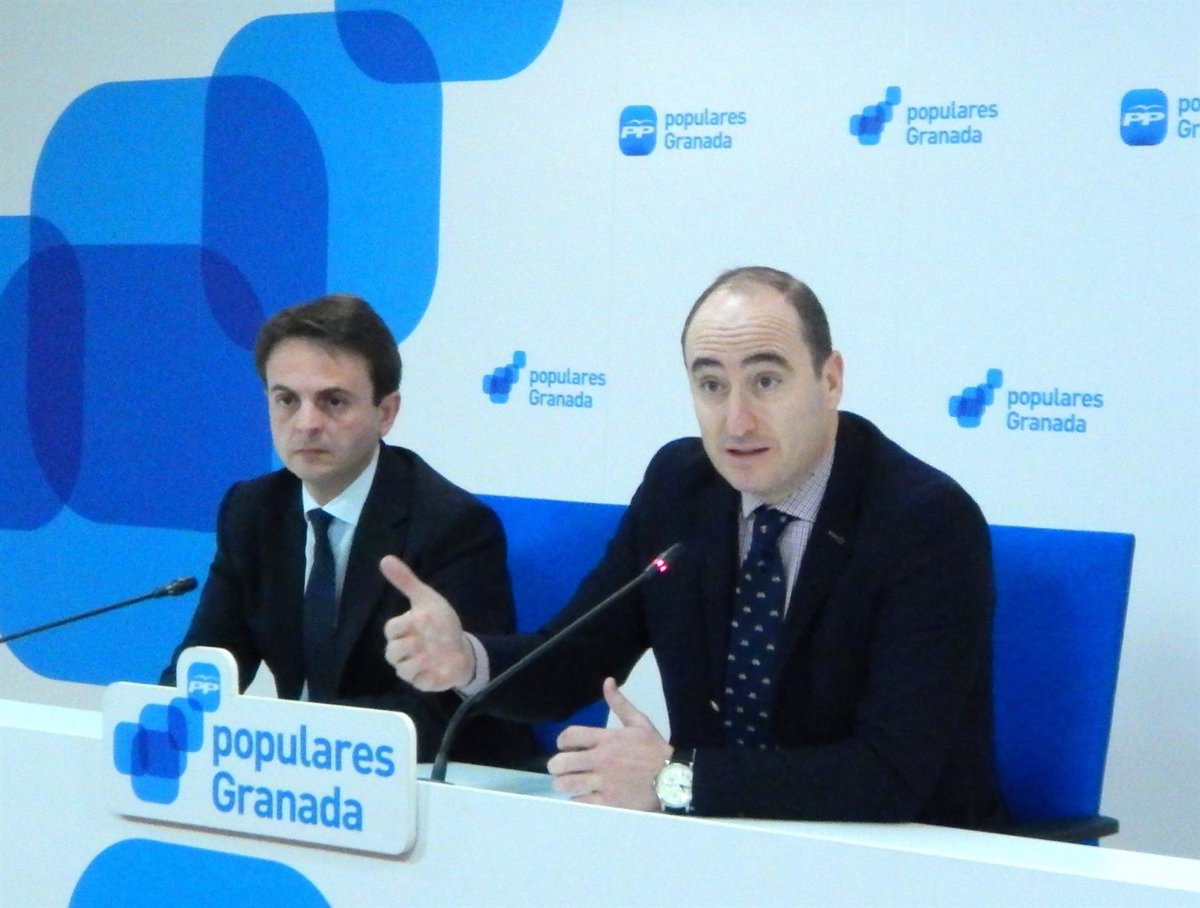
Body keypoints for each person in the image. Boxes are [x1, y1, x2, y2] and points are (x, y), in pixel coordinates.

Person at [382, 267, 1007, 825]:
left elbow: (889, 774)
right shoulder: (680, 487)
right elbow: (575, 658)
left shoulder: (924, 521)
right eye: (711, 385)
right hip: (712, 846)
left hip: (899, 862)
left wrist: (674, 777)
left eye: (766, 381)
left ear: (830, 379)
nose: (736, 420)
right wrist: (466, 661)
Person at [162, 293, 536, 767]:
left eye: (333, 401)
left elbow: (440, 713)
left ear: (386, 412)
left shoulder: (452, 526)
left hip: (437, 780)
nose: (307, 424)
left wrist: (288, 743)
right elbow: (208, 662)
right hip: (299, 774)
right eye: (286, 400)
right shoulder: (252, 510)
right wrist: (170, 720)